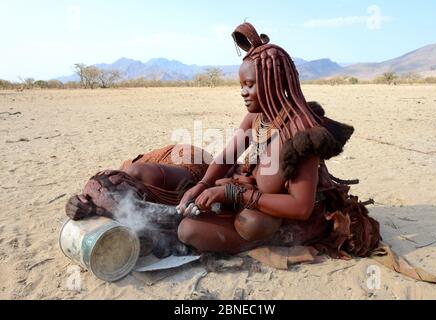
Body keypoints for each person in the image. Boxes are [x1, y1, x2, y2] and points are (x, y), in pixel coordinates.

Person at [66, 22, 380, 259]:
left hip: (256, 214)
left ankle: (139, 221)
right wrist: (203, 186)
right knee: (129, 176)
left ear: (273, 83)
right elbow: (225, 159)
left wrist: (234, 194)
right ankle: (125, 211)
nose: (243, 92)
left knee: (191, 229)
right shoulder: (258, 117)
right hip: (231, 189)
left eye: (250, 85)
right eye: (241, 85)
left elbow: (299, 207)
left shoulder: (302, 138)